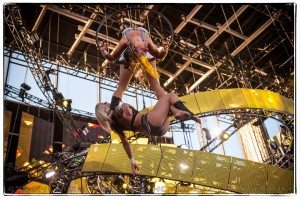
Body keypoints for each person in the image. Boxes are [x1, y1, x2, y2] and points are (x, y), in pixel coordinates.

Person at [95, 92, 201, 175]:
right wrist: (125, 105)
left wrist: (132, 161)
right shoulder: (118, 110)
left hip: (156, 131)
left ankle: (178, 113)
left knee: (168, 106)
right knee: (170, 96)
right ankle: (192, 115)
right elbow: (122, 108)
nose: (106, 102)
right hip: (150, 121)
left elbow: (125, 144)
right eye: (104, 104)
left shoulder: (115, 126)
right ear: (104, 109)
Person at [99, 27, 169, 119]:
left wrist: (103, 51)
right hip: (129, 55)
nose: (145, 49)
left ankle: (169, 107)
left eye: (144, 51)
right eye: (144, 50)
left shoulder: (129, 40)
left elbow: (112, 57)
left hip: (131, 54)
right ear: (135, 47)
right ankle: (112, 112)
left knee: (155, 85)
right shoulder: (141, 40)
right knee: (122, 87)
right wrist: (164, 48)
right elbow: (160, 55)